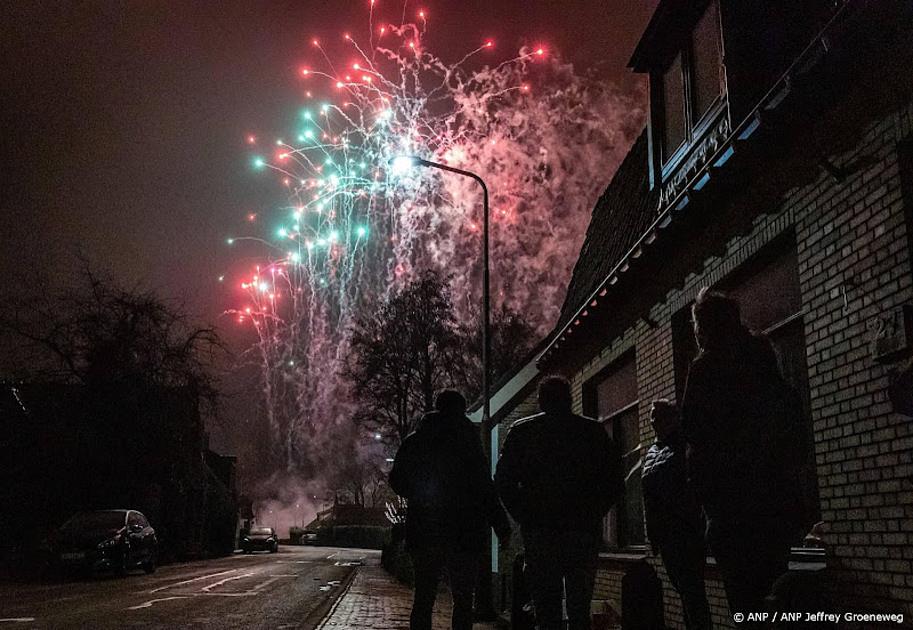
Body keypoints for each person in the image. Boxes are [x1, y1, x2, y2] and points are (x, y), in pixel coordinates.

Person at [681, 288, 805, 624]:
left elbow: (693, 430)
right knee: (779, 596)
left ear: (703, 327)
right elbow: (791, 417)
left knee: (744, 602)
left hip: (731, 512)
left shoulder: (706, 369)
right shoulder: (764, 362)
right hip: (777, 506)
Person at [495, 375, 625, 630]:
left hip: (541, 532)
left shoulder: (523, 432)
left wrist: (524, 515)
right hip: (581, 532)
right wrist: (594, 512)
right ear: (569, 398)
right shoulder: (591, 431)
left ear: (542, 400)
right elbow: (614, 481)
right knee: (579, 607)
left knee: (546, 609)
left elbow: (503, 480)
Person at [389, 389, 511, 630]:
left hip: (425, 530)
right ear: (462, 409)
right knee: (463, 601)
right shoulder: (468, 441)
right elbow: (484, 486)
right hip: (464, 532)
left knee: (423, 599)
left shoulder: (416, 440)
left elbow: (397, 480)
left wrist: (418, 495)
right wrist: (501, 525)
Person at [642, 400, 711, 630]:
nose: (654, 422)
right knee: (685, 590)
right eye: (652, 417)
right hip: (666, 534)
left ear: (673, 419)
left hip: (685, 532)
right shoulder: (654, 450)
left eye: (659, 417)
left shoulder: (683, 446)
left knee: (692, 591)